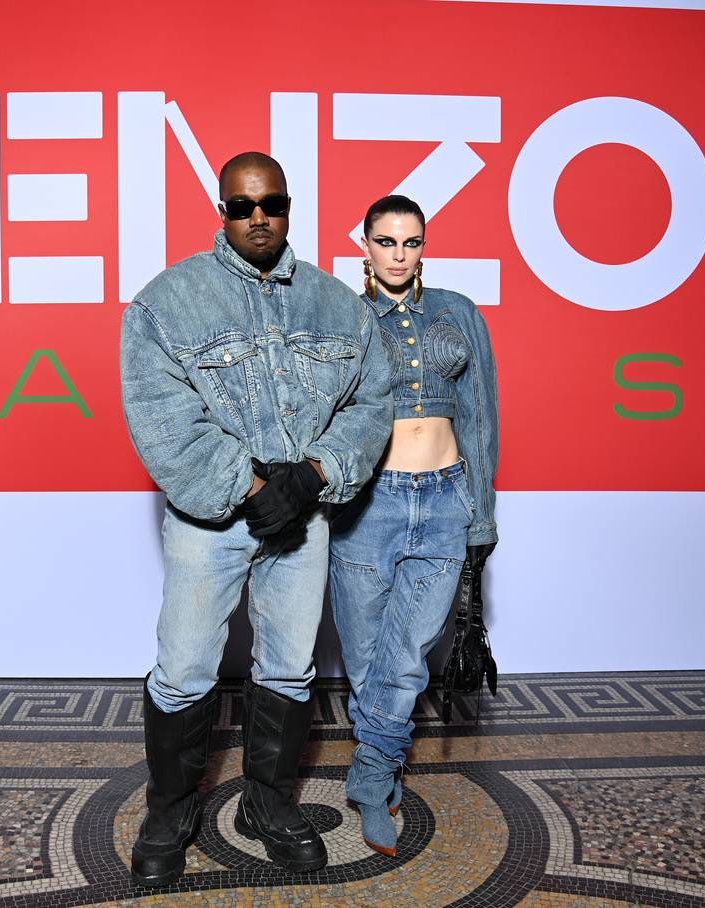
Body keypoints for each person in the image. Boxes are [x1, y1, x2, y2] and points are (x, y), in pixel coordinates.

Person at [119, 152, 392, 887]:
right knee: (184, 668)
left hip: (304, 515)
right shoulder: (165, 303)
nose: (258, 218)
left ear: (289, 207)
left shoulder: (339, 304)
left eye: (271, 203)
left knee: (291, 666)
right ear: (222, 211)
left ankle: (268, 805)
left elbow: (372, 405)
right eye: (241, 207)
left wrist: (312, 475)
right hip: (209, 523)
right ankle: (170, 811)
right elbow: (162, 419)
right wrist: (249, 486)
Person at [328, 194, 499, 857]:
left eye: (411, 242)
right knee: (368, 656)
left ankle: (371, 778)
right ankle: (384, 761)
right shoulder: (344, 317)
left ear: (423, 246)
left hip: (445, 498)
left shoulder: (458, 311)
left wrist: (481, 513)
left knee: (406, 656)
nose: (398, 255)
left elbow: (480, 415)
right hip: (368, 505)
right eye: (386, 241)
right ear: (364, 245)